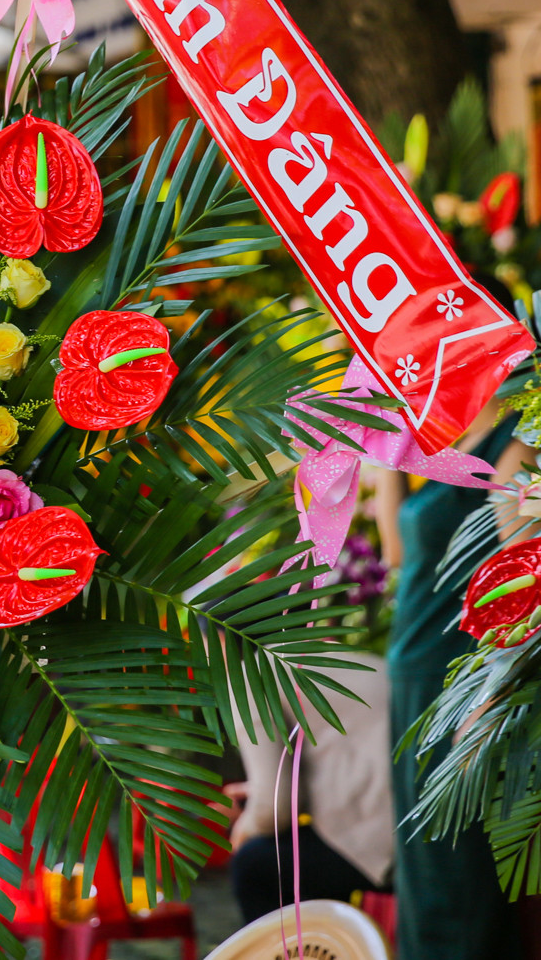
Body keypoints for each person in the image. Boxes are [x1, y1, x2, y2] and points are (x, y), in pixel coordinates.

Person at [376, 285, 535, 958]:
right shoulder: (447, 438)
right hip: (413, 671)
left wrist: (495, 686)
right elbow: (398, 551)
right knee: (424, 874)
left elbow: (521, 583)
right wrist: (391, 439)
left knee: (459, 880)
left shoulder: (518, 442)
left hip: (460, 683)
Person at [228, 653, 394, 922]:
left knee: (254, 863)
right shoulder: (361, 660)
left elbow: (274, 809)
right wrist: (253, 792)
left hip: (382, 846)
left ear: (220, 639)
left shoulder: (249, 674)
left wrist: (243, 829)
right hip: (433, 823)